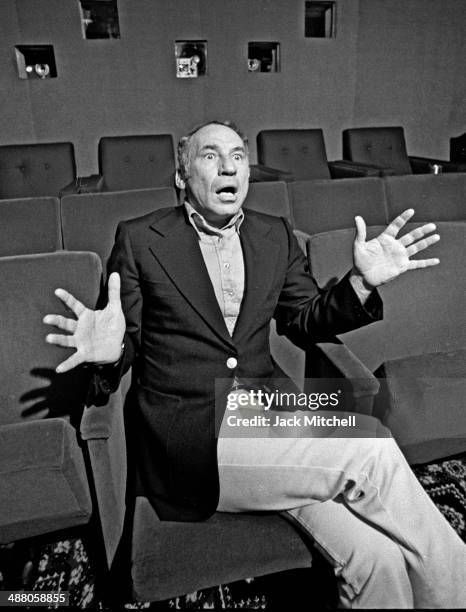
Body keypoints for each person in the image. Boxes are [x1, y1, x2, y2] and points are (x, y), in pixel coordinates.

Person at [44, 120, 465, 608]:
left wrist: (360, 283)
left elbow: (304, 320)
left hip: (272, 415)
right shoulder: (140, 239)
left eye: (238, 156)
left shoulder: (273, 234)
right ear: (182, 175)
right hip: (194, 437)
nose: (228, 166)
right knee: (370, 449)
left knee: (376, 558)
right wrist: (111, 353)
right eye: (210, 156)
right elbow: (126, 341)